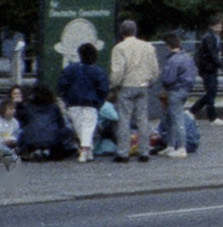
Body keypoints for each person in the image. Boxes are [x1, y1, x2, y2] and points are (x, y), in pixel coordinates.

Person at [109, 20, 160, 163]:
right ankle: (144, 151)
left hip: (126, 86)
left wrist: (113, 84)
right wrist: (150, 81)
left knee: (124, 119)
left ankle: (123, 153)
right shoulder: (148, 46)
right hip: (143, 85)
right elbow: (155, 69)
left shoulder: (119, 48)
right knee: (142, 119)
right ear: (135, 31)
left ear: (122, 32)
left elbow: (118, 71)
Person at [60, 41, 107, 162]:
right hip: (91, 102)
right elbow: (103, 88)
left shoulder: (70, 69)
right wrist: (99, 102)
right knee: (88, 126)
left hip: (73, 102)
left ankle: (86, 150)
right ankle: (86, 150)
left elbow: (62, 85)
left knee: (79, 127)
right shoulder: (98, 71)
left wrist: (65, 98)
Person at [156, 34, 200, 155]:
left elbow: (168, 79)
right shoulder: (187, 57)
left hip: (175, 90)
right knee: (171, 117)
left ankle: (181, 147)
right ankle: (171, 146)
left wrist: (162, 75)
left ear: (168, 46)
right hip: (185, 90)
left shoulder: (173, 60)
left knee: (176, 118)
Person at [16, 84, 70, 161]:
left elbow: (23, 122)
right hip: (52, 138)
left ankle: (35, 151)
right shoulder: (54, 106)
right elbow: (61, 123)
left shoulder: (28, 106)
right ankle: (47, 151)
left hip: (31, 138)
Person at [192, 20, 223, 121]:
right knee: (211, 93)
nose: (219, 30)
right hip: (207, 68)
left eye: (220, 27)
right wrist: (222, 66)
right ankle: (212, 117)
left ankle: (192, 111)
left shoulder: (217, 37)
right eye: (217, 27)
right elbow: (212, 54)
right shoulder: (208, 38)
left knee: (211, 93)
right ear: (212, 27)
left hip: (212, 68)